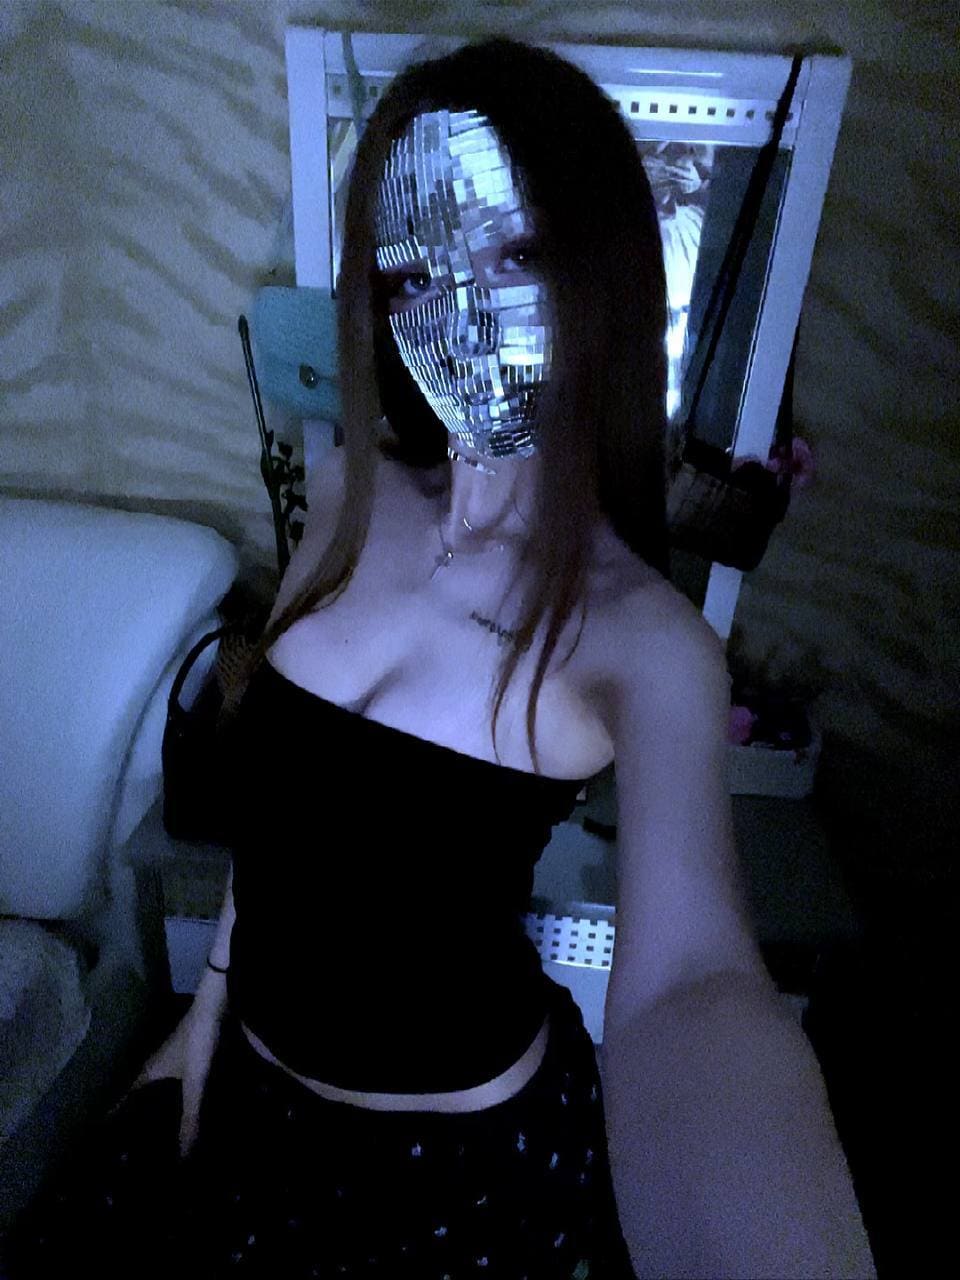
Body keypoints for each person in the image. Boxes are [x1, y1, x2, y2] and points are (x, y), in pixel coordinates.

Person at [2, 34, 874, 1280]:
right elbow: (285, 812)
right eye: (414, 273)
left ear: (601, 276)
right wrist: (206, 1011)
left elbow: (693, 987)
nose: (458, 313)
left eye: (514, 257)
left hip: (456, 1167)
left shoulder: (647, 639)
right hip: (247, 1097)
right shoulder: (348, 488)